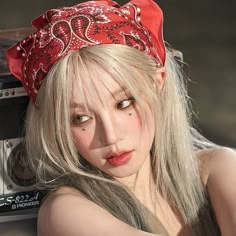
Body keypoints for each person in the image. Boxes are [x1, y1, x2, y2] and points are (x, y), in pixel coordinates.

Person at [6, 0, 236, 235]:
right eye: (80, 118)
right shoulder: (65, 212)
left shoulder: (218, 167)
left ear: (157, 84)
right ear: (56, 126)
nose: (111, 136)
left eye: (124, 103)